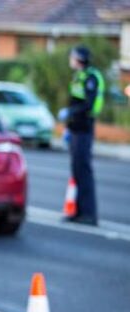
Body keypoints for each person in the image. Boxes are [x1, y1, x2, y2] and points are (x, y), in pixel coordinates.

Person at [58, 45, 104, 226]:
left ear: (78, 59)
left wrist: (70, 112)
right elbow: (75, 101)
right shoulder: (79, 76)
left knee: (83, 171)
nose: (70, 60)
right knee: (76, 171)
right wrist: (68, 127)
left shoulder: (90, 77)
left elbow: (88, 105)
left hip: (84, 129)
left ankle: (89, 214)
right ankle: (77, 211)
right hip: (76, 129)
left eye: (72, 57)